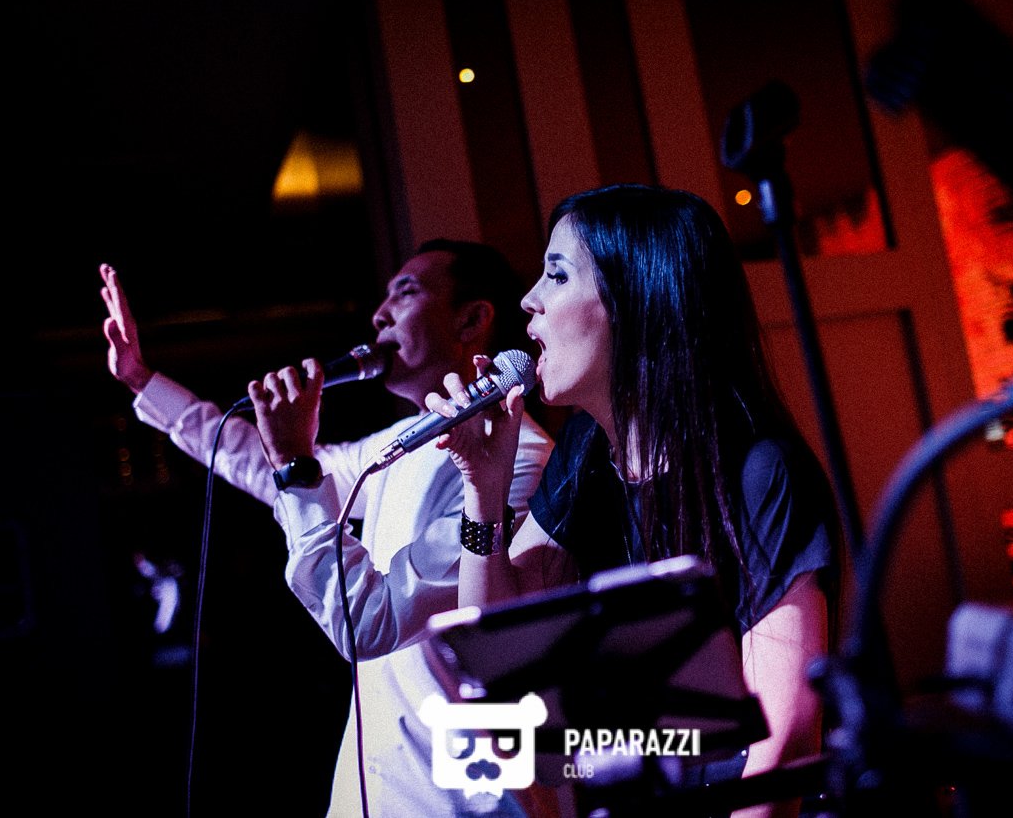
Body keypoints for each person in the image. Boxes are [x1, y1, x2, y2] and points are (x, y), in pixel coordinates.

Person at [100, 240, 556, 817]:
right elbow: (271, 471)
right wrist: (144, 381)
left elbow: (371, 623)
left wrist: (296, 464)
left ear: (472, 320)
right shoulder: (403, 443)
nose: (379, 314)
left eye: (406, 292)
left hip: (456, 801)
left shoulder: (520, 461)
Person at [431, 184, 839, 818]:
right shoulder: (584, 449)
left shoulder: (760, 470)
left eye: (557, 275)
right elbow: (501, 660)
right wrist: (483, 492)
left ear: (637, 301)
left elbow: (782, 743)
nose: (529, 300)